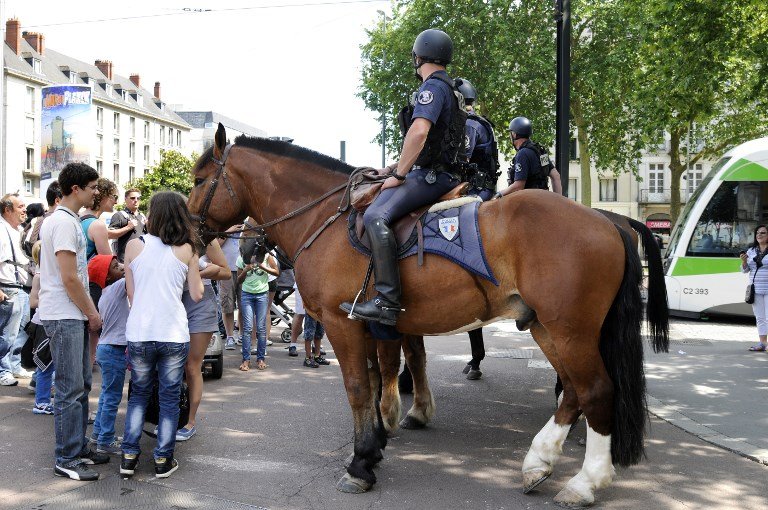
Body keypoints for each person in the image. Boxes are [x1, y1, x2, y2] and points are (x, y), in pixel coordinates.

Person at [341, 29, 467, 327]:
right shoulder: (451, 89)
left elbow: (420, 131)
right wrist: (394, 166)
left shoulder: (432, 89)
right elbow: (433, 143)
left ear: (418, 55)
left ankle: (387, 300)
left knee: (374, 215)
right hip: (443, 171)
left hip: (433, 177)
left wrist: (398, 175)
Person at [120, 191, 203, 480]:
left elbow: (131, 293)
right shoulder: (188, 250)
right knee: (169, 398)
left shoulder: (133, 246)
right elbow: (196, 293)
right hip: (172, 332)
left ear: (152, 215)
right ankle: (162, 460)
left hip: (140, 331)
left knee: (138, 395)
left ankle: (129, 456)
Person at [38, 162, 107, 481]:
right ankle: (66, 456)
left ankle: (77, 448)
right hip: (65, 314)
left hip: (70, 313)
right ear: (76, 189)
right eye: (93, 187)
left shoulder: (65, 221)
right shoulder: (64, 224)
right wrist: (92, 312)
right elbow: (69, 277)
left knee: (80, 384)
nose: (97, 192)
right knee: (69, 387)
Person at [178, 240, 230, 441]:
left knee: (192, 365)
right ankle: (169, 418)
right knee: (171, 364)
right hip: (170, 298)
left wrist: (197, 273)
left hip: (199, 301)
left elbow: (225, 272)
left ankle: (189, 422)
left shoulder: (205, 239)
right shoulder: (163, 232)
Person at [88, 254, 127, 455]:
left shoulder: (105, 293)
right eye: (115, 266)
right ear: (107, 276)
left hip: (106, 348)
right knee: (112, 397)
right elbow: (134, 271)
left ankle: (98, 433)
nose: (121, 267)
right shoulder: (119, 287)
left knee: (105, 394)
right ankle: (105, 440)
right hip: (114, 349)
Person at [0, 193, 32, 386]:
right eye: (20, 206)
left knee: (23, 329)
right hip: (8, 288)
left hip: (21, 288)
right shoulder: (1, 230)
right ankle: (3, 370)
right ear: (7, 210)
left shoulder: (18, 229)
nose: (24, 210)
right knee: (7, 333)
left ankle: (13, 365)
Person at [494, 116, 563, 197]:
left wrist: (499, 193)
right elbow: (556, 176)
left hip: (528, 201)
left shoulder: (522, 154)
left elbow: (519, 185)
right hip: (543, 198)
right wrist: (558, 200)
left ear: (514, 134)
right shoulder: (540, 151)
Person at [236, 240, 279, 371]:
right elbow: (238, 280)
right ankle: (246, 360)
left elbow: (276, 272)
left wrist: (262, 267)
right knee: (248, 328)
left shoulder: (266, 256)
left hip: (262, 294)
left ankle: (261, 359)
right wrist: (245, 270)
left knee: (261, 328)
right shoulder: (241, 258)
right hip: (247, 295)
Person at [457, 78, 500, 201]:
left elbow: (463, 161)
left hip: (477, 189)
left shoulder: (469, 124)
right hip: (481, 186)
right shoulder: (478, 121)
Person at [27, 241, 54, 415]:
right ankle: (41, 402)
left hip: (51, 322)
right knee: (45, 366)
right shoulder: (39, 276)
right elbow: (33, 302)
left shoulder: (54, 274)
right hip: (42, 324)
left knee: (54, 365)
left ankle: (46, 398)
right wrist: (52, 298)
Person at [742, 225, 768, 352]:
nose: (759, 235)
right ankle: (763, 343)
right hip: (756, 289)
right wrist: (744, 262)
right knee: (760, 317)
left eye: (763, 233)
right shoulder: (751, 251)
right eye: (758, 233)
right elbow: (745, 270)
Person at [218, 225, 243, 350]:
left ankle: (242, 335)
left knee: (244, 305)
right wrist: (228, 231)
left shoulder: (246, 223)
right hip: (226, 270)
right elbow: (216, 244)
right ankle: (230, 337)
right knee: (227, 305)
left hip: (244, 270)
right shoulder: (225, 223)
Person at [109, 188, 147, 262]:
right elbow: (109, 234)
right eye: (132, 198)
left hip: (142, 259)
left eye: (138, 198)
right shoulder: (119, 215)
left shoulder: (143, 216)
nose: (136, 200)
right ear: (125, 199)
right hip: (125, 260)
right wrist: (127, 227)